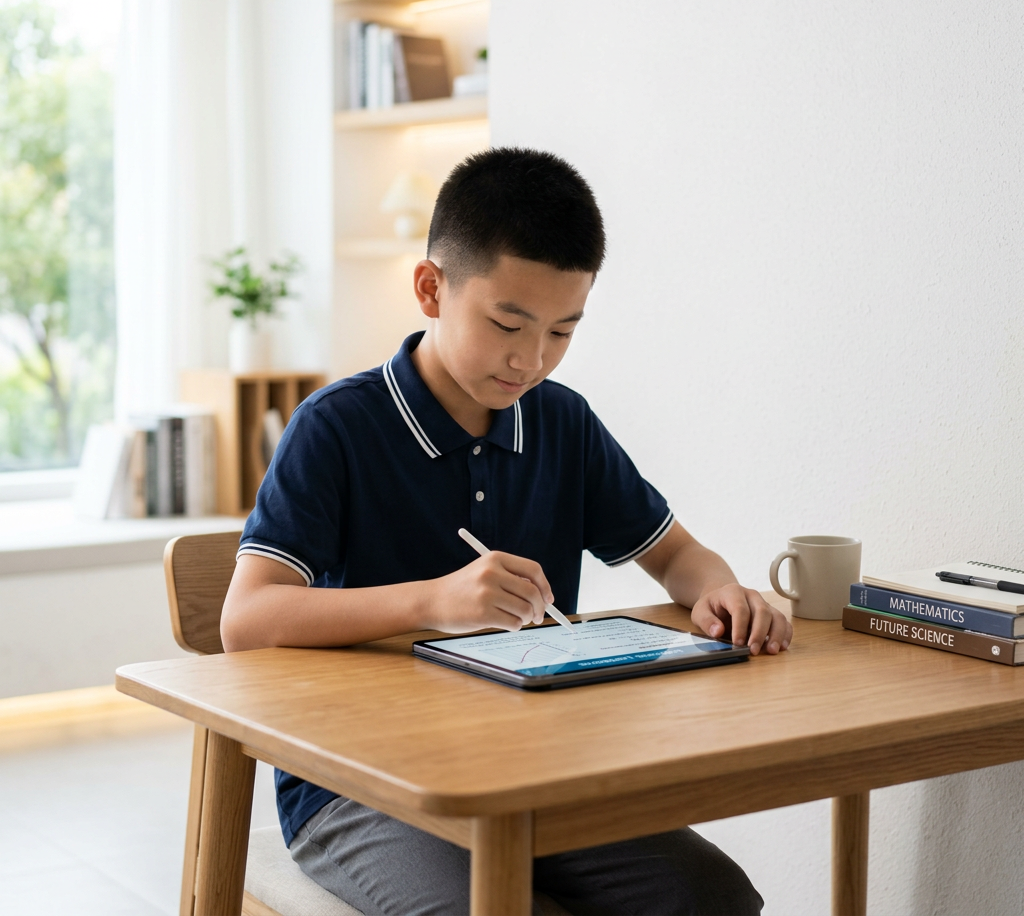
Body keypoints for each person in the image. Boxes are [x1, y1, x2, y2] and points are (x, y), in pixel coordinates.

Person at [221, 147, 791, 916]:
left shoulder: (562, 422)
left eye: (562, 331)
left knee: (713, 898)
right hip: (360, 786)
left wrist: (722, 592)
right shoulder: (336, 429)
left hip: (536, 769)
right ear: (431, 288)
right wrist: (435, 602)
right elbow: (246, 621)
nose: (532, 359)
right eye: (507, 323)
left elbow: (676, 553)